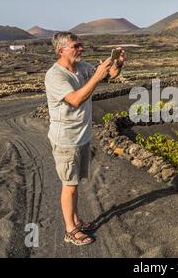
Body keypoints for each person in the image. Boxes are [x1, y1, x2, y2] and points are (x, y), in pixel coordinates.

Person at [45, 32, 125, 246]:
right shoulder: (55, 76)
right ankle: (70, 231)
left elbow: (110, 76)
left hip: (81, 136)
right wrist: (97, 76)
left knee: (75, 184)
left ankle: (76, 220)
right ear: (61, 50)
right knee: (69, 185)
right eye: (76, 46)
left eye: (81, 45)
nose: (81, 48)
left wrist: (117, 65)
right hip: (66, 140)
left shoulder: (81, 67)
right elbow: (76, 100)